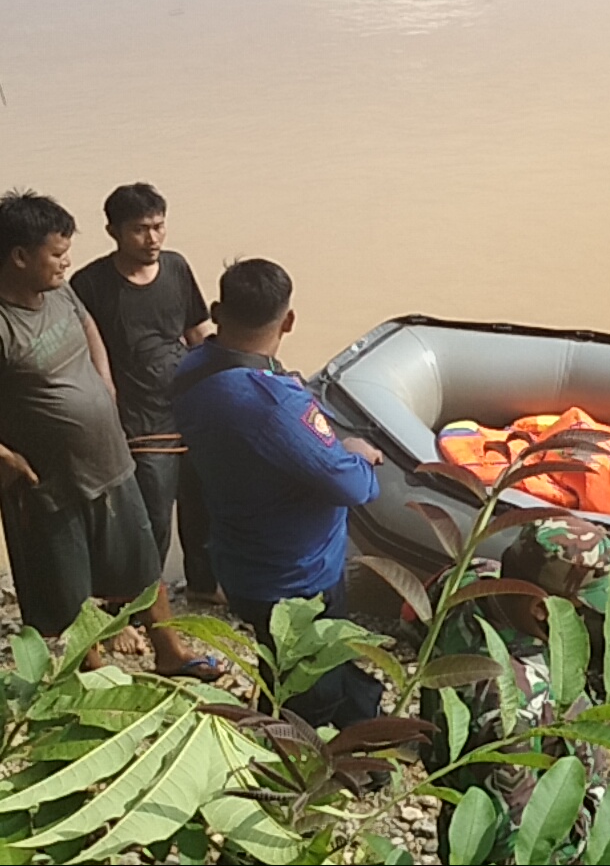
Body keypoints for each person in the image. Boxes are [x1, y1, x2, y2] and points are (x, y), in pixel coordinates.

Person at [0, 189, 219, 680]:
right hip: (49, 487)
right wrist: (7, 458)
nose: (66, 262)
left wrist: (104, 383)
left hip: (111, 460)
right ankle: (95, 676)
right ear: (18, 257)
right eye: (56, 254)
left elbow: (88, 323)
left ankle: (170, 653)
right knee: (68, 590)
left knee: (142, 566)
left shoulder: (57, 291)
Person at [170, 258, 383, 726]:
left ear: (216, 310)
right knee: (313, 678)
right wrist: (358, 453)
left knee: (281, 661)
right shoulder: (273, 405)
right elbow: (353, 486)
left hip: (239, 556)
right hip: (298, 575)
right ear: (288, 321)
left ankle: (282, 724)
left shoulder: (193, 371)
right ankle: (302, 758)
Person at [423, 517, 610, 864]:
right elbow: (518, 842)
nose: (586, 621)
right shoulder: (514, 710)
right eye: (581, 612)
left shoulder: (468, 584)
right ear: (540, 608)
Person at [69, 182, 218, 602]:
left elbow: (197, 332)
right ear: (113, 231)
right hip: (139, 424)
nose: (152, 238)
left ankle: (205, 588)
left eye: (159, 226)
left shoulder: (176, 267)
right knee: (151, 519)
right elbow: (79, 356)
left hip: (189, 411)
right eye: (140, 229)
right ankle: (139, 604)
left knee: (202, 508)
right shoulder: (90, 284)